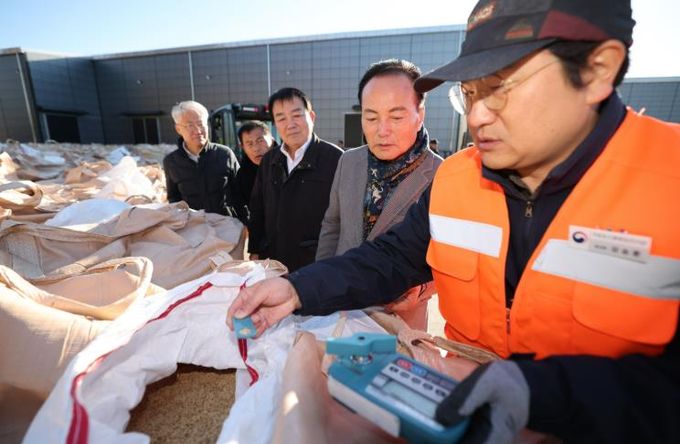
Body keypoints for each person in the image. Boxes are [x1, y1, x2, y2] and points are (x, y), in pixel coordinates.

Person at [228, 1, 680, 442]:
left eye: (501, 88)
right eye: (469, 93)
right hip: (459, 405)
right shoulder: (457, 178)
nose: (478, 116)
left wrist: (546, 394)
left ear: (597, 70)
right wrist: (298, 288)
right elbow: (390, 257)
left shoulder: (671, 181)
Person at [316, 59, 442, 330]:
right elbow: (332, 225)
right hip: (341, 310)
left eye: (396, 117)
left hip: (400, 321)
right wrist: (323, 282)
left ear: (420, 114)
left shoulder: (442, 175)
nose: (382, 131)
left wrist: (421, 291)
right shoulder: (348, 161)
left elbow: (449, 256)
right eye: (371, 118)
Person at [248, 87, 342, 272]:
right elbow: (258, 207)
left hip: (317, 265)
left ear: (312, 117)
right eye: (281, 118)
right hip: (274, 261)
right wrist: (255, 249)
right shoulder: (269, 160)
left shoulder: (336, 159)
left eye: (297, 115)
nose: (290, 124)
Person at [163, 100, 240, 216]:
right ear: (178, 129)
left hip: (226, 222)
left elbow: (241, 193)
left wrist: (245, 222)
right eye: (190, 125)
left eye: (200, 124)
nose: (198, 131)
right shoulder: (171, 162)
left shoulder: (225, 154)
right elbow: (174, 199)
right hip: (194, 224)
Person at [233, 120, 274, 224]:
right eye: (249, 144)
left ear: (272, 140)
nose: (256, 148)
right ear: (242, 147)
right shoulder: (242, 175)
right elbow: (240, 207)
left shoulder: (288, 163)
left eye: (260, 141)